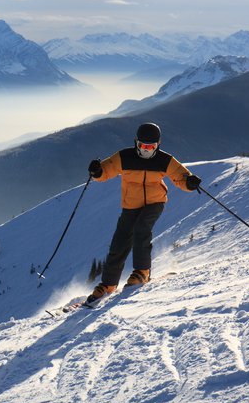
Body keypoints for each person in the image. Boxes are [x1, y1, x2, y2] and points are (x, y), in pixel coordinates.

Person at [85, 122, 201, 306]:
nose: (147, 150)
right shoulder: (124, 157)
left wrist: (190, 183)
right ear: (136, 143)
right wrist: (97, 171)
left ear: (158, 145)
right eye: (143, 146)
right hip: (131, 205)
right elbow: (105, 171)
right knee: (119, 241)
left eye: (151, 147)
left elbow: (181, 177)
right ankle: (108, 284)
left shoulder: (164, 160)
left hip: (155, 202)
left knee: (141, 229)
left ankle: (142, 272)